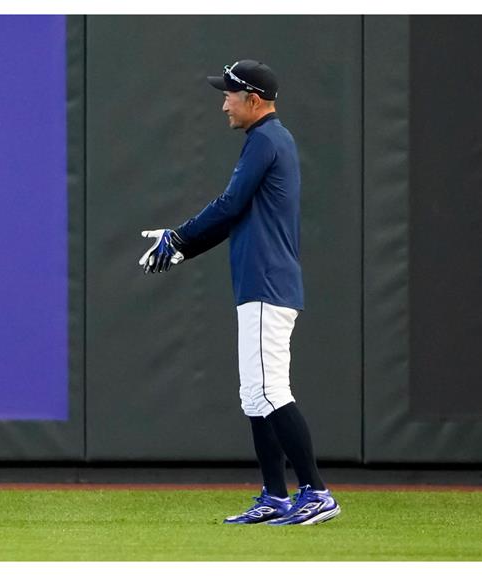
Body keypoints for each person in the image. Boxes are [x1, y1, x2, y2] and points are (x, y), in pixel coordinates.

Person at [138, 60, 341, 526]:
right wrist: (181, 247)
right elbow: (234, 217)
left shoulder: (267, 140)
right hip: (260, 283)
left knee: (270, 390)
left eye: (229, 94)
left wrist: (180, 237)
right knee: (255, 394)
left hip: (269, 284)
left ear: (253, 99)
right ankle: (274, 494)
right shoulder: (267, 140)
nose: (223, 102)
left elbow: (228, 205)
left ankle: (316, 491)